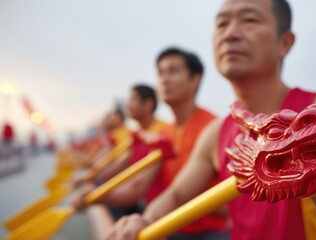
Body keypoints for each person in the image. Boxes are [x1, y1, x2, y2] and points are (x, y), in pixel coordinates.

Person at [106, 0, 316, 239]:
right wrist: (144, 219)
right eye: (221, 24)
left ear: (284, 42)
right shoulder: (217, 133)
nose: (230, 34)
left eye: (249, 20)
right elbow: (176, 195)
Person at [73, 47, 229, 240]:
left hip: (207, 232)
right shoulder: (163, 133)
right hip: (167, 223)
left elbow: (228, 207)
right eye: (160, 73)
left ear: (195, 79)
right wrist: (96, 194)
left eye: (173, 71)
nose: (164, 79)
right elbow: (138, 185)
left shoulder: (214, 128)